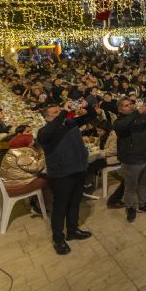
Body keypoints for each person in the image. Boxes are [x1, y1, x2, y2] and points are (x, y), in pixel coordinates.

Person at [38, 100, 97, 255]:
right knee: (60, 207)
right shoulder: (44, 132)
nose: (60, 114)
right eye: (56, 112)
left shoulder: (70, 123)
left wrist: (87, 105)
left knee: (74, 203)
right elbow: (46, 134)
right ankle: (58, 239)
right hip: (61, 175)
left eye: (60, 111)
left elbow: (92, 115)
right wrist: (64, 112)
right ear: (47, 118)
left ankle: (72, 230)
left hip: (79, 170)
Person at [114, 97, 146, 223]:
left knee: (144, 182)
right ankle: (130, 207)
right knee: (130, 186)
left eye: (131, 104)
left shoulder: (141, 117)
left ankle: (143, 204)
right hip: (132, 159)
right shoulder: (118, 122)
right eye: (126, 105)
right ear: (120, 110)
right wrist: (138, 112)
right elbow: (125, 124)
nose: (131, 106)